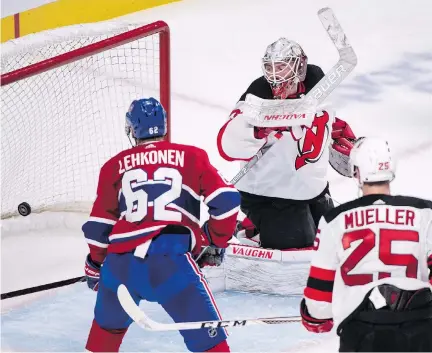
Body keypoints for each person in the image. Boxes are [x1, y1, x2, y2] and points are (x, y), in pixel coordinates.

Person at [83, 97, 240, 353]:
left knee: (103, 339)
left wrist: (95, 265)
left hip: (119, 265)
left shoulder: (113, 166)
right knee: (211, 346)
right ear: (164, 127)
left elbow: (98, 226)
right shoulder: (192, 156)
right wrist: (213, 240)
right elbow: (227, 201)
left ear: (132, 130)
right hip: (170, 264)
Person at [217, 37, 357, 250]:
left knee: (335, 243)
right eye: (271, 67)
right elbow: (226, 144)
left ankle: (253, 227)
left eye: (282, 67)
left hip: (310, 190)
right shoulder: (257, 96)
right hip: (269, 194)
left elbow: (321, 118)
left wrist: (335, 134)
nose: (275, 74)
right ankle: (252, 229)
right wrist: (260, 129)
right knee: (304, 252)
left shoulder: (316, 84)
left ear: (300, 66)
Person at [300, 137, 432, 352]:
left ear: (357, 171)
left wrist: (314, 318)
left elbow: (318, 305)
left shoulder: (335, 219)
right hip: (419, 332)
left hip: (362, 333)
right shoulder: (425, 213)